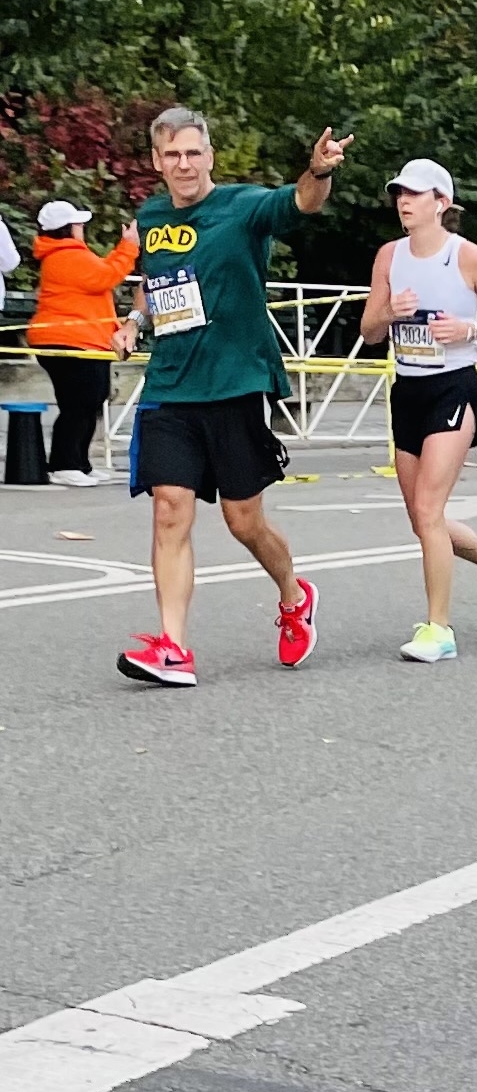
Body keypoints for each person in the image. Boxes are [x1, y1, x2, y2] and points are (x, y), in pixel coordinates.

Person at [110, 108, 347, 686]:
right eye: (172, 155)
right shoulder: (152, 215)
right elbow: (155, 283)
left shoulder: (243, 207)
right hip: (170, 385)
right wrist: (133, 323)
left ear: (210, 155)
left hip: (236, 382)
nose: (184, 164)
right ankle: (172, 647)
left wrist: (318, 171)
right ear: (156, 162)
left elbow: (301, 204)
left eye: (193, 152)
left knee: (245, 522)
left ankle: (294, 596)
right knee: (170, 509)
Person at [359, 160, 477, 663]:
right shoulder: (389, 257)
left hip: (455, 387)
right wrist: (390, 312)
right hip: (408, 390)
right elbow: (370, 332)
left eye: (414, 194)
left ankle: (439, 629)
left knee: (430, 512)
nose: (403, 202)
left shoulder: (470, 257)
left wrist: (469, 331)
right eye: (398, 194)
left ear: (441, 203)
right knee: (422, 518)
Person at [27, 200, 138, 485]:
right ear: (67, 229)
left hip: (80, 340)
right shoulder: (67, 256)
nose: (82, 228)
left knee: (89, 401)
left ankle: (79, 463)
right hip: (69, 342)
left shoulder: (67, 254)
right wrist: (128, 247)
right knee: (79, 404)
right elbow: (106, 276)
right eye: (78, 224)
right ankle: (64, 464)